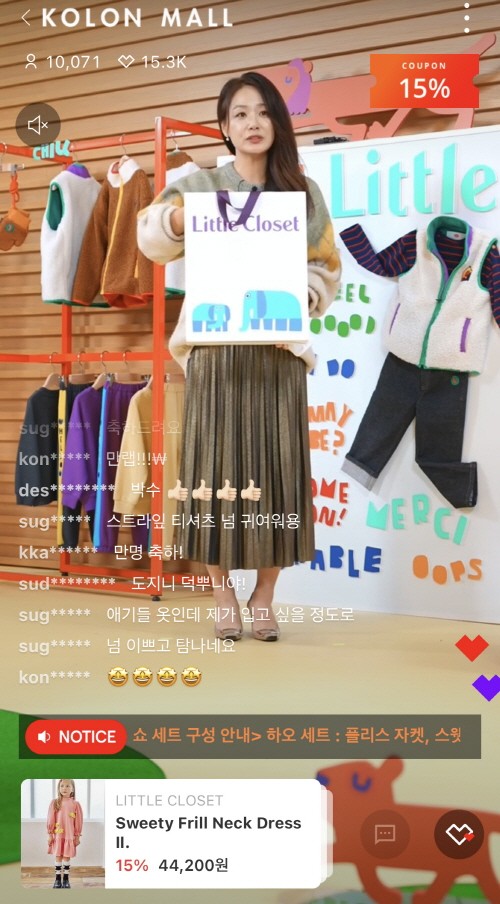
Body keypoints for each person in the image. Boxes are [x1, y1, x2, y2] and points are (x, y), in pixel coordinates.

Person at [138, 71, 340, 642]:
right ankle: (222, 593)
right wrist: (179, 219)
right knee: (211, 476)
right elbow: (149, 236)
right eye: (240, 114)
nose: (253, 123)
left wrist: (299, 302)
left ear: (278, 122)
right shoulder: (200, 185)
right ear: (225, 127)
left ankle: (264, 596)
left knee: (278, 473)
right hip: (215, 353)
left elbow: (326, 266)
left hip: (278, 351)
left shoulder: (301, 191)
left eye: (264, 112)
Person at [47, 779, 83, 888]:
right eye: (62, 786)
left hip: (69, 835)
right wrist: (50, 835)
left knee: (67, 856)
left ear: (72, 789)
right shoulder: (55, 802)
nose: (64, 788)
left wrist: (77, 836)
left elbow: (78, 821)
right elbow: (50, 819)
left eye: (68, 786)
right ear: (58, 788)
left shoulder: (75, 804)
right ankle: (57, 879)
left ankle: (66, 879)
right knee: (58, 856)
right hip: (58, 835)